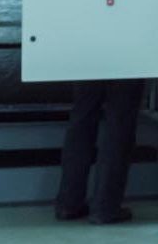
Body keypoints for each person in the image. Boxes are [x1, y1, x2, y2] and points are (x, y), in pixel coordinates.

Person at [55, 77, 145, 223]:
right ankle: (105, 206)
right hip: (125, 56)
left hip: (85, 56)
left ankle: (68, 203)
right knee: (120, 117)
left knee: (82, 115)